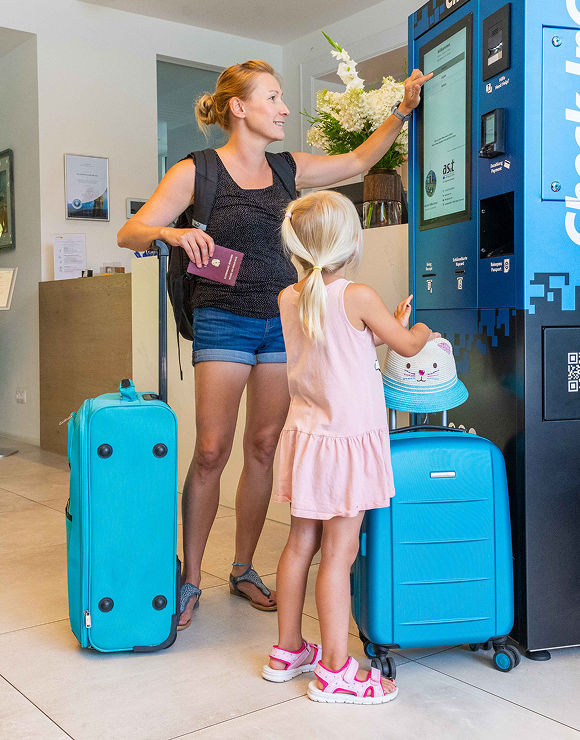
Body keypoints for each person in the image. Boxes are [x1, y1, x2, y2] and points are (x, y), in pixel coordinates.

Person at [117, 60, 431, 629]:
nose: (285, 108)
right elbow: (130, 231)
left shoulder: (289, 169)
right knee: (212, 449)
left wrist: (401, 111)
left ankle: (242, 568)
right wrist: (171, 231)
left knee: (263, 447)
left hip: (284, 324)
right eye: (274, 98)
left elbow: (359, 161)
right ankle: (191, 579)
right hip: (222, 321)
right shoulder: (199, 170)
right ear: (240, 108)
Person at [262, 190, 435, 704]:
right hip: (346, 444)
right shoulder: (356, 295)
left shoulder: (289, 298)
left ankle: (288, 650)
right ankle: (337, 671)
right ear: (350, 242)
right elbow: (405, 346)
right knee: (340, 555)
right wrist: (417, 327)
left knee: (299, 546)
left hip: (308, 439)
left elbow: (339, 342)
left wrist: (387, 326)